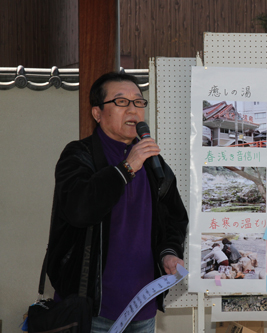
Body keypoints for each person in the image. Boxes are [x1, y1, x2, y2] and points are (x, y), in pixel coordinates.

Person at [45, 72, 189, 333]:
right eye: (121, 102)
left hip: (142, 308)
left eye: (138, 102)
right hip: (91, 310)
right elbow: (79, 210)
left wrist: (169, 252)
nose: (133, 109)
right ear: (97, 113)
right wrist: (126, 168)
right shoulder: (79, 155)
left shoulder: (155, 164)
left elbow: (174, 218)